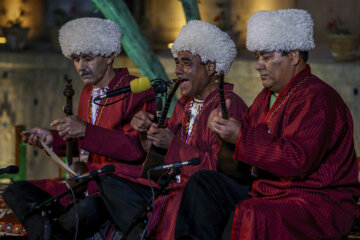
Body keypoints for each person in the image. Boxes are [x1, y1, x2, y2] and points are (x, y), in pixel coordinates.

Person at [175, 9, 360, 240]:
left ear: (293, 56)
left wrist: (240, 137)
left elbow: (298, 160)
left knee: (251, 213)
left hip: (315, 201)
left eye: (267, 57)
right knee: (204, 184)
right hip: (270, 190)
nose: (258, 65)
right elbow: (244, 161)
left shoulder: (319, 98)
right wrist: (225, 135)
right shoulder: (265, 97)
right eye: (257, 57)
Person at [3, 17, 155, 239]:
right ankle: (45, 232)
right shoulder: (87, 92)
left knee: (79, 214)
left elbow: (136, 150)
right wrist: (51, 139)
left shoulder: (134, 90)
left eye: (88, 58)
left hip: (114, 191)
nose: (81, 67)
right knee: (15, 191)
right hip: (82, 185)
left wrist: (85, 130)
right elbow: (84, 142)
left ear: (110, 55)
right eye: (76, 59)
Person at [97, 20, 248, 240]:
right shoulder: (183, 104)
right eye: (177, 62)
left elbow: (217, 173)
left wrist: (172, 145)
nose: (177, 70)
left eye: (186, 63)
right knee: (108, 182)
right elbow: (157, 156)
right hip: (167, 192)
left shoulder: (229, 106)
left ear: (211, 67)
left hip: (196, 201)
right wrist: (146, 133)